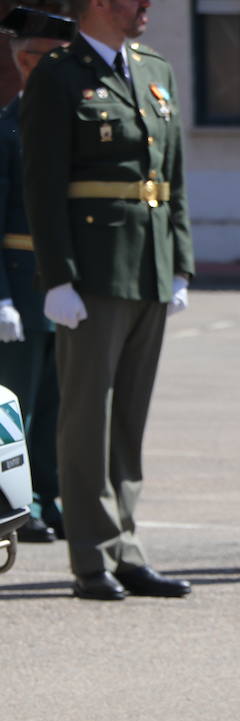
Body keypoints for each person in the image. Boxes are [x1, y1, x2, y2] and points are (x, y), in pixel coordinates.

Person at [21, 0, 194, 601]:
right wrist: (57, 277)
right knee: (87, 419)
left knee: (129, 421)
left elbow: (172, 176)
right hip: (92, 273)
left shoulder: (155, 70)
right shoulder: (59, 74)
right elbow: (41, 183)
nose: (147, 7)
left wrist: (180, 263)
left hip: (149, 266)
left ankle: (127, 547)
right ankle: (91, 557)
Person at [0, 5, 75, 545]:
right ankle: (15, 507)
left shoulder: (74, 126)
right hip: (19, 283)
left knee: (57, 404)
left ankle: (49, 497)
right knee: (18, 408)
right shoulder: (6, 129)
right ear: (24, 62)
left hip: (63, 283)